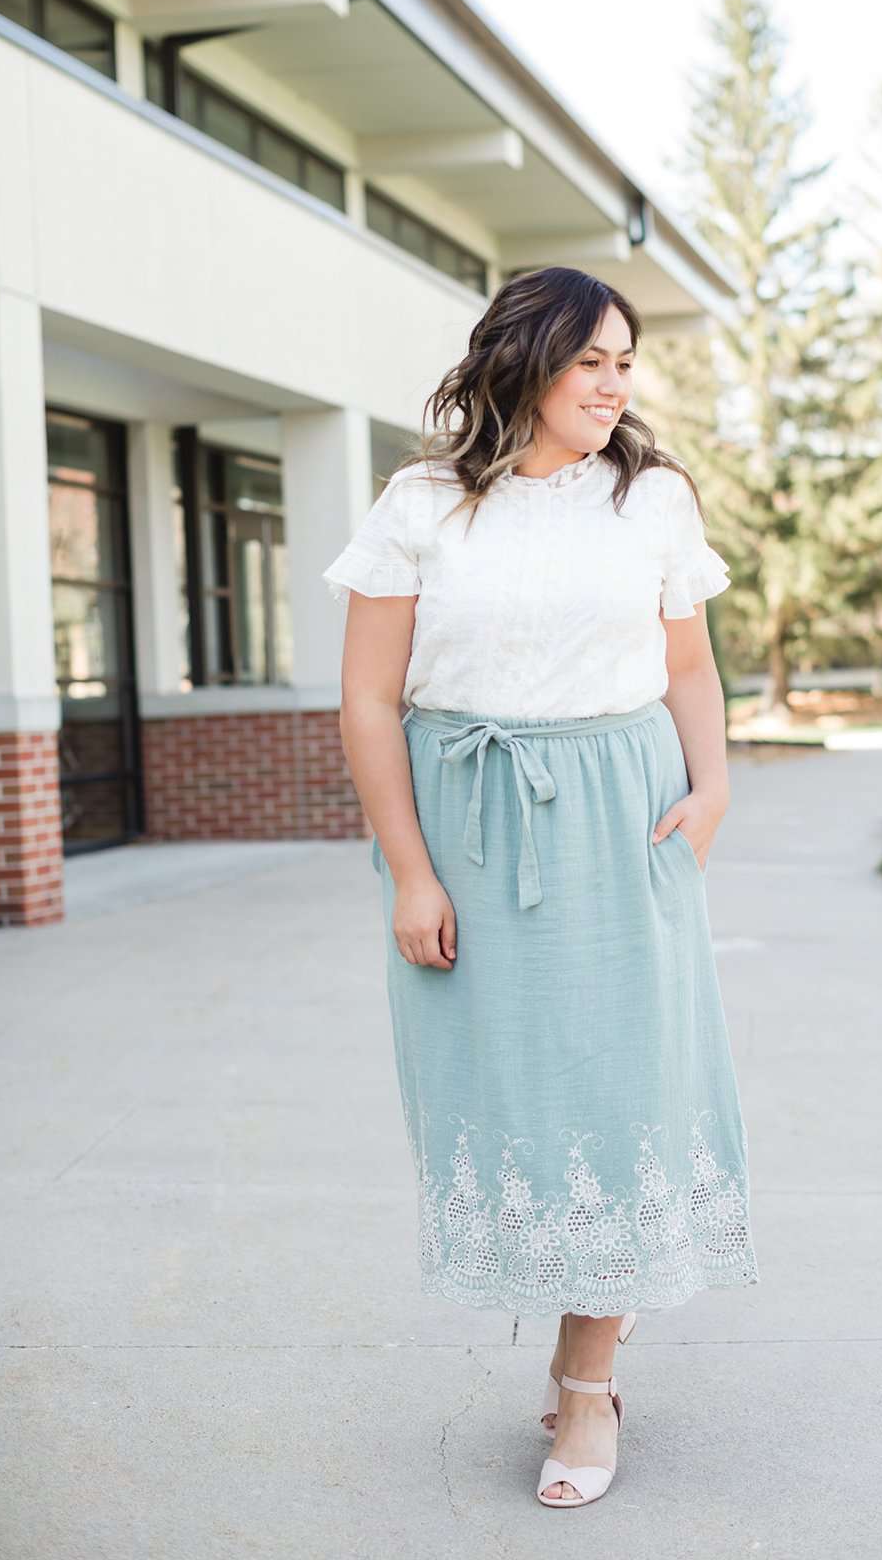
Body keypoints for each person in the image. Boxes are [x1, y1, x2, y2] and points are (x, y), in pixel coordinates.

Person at [323, 266, 758, 1508]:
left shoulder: (652, 498)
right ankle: (577, 1355)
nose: (618, 385)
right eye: (593, 363)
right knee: (515, 1106)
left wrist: (713, 788)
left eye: (627, 362)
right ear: (524, 362)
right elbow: (368, 699)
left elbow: (689, 665)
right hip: (466, 816)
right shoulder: (419, 506)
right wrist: (410, 869)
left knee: (625, 1094)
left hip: (625, 814)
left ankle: (585, 1383)